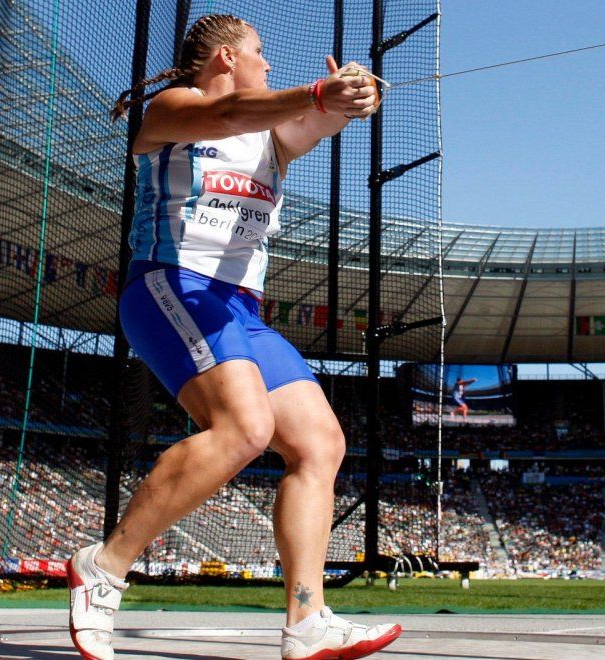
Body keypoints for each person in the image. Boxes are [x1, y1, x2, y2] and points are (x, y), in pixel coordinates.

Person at [66, 14, 399, 660]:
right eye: (260, 53)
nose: (269, 63)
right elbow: (231, 116)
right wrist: (314, 96)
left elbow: (323, 115)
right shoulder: (173, 109)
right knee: (244, 428)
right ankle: (102, 568)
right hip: (171, 284)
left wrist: (356, 95)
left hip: (239, 310)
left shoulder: (273, 136)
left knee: (319, 443)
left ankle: (307, 622)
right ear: (225, 58)